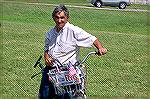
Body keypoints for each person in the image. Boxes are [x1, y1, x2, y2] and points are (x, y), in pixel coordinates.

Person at [38, 4, 107, 99]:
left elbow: (92, 39)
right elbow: (46, 48)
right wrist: (46, 56)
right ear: (53, 18)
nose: (59, 20)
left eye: (62, 18)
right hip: (50, 70)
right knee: (44, 96)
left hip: (67, 72)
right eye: (57, 17)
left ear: (67, 18)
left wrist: (100, 48)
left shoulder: (74, 31)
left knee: (68, 96)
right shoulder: (50, 33)